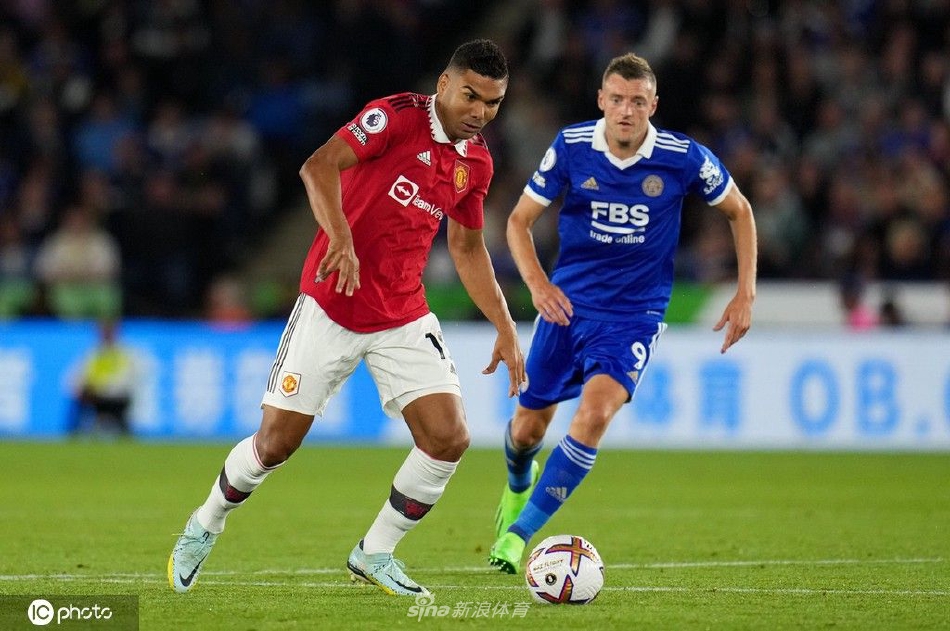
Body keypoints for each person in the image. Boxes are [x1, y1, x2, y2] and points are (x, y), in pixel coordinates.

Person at [168, 39, 525, 597]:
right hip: (332, 304)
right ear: (444, 84)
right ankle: (205, 522)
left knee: (448, 437)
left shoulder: (475, 162)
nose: (480, 112)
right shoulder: (395, 118)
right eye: (471, 96)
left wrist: (505, 326)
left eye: (493, 102)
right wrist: (340, 237)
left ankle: (375, 552)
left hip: (403, 313)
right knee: (274, 445)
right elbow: (318, 166)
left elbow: (467, 247)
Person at [488, 52, 757, 573]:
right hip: (566, 309)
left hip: (634, 316)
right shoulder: (571, 146)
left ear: (653, 105)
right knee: (526, 432)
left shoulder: (683, 157)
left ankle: (518, 538)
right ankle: (518, 484)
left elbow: (739, 210)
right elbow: (518, 222)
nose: (626, 110)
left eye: (637, 101)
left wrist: (745, 292)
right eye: (616, 99)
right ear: (601, 101)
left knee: (593, 415)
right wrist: (538, 284)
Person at [68, 319, 135, 436]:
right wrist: (83, 388)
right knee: (78, 401)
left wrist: (102, 388)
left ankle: (125, 434)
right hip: (95, 396)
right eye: (104, 331)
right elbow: (78, 375)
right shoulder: (93, 353)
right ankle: (74, 434)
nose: (106, 335)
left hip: (116, 396)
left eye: (109, 331)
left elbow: (127, 379)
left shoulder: (125, 353)